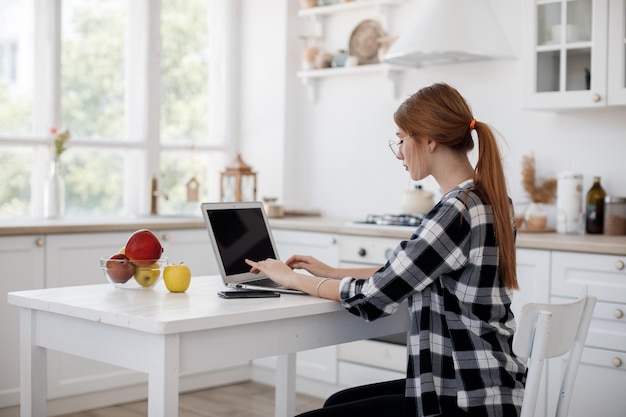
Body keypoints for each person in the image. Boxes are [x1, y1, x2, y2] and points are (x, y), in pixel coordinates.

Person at [245, 82, 526, 417]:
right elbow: (409, 275)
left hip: (465, 395)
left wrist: (291, 279)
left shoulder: (457, 211)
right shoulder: (489, 199)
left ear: (429, 140)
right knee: (336, 403)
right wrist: (331, 272)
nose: (400, 152)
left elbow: (374, 296)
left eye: (402, 140)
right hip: (486, 381)